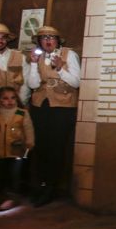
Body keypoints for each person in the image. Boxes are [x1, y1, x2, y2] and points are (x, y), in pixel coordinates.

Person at [26, 25, 80, 206]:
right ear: (39, 42)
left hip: (63, 108)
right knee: (40, 147)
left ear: (58, 41)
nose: (48, 41)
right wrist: (33, 64)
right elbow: (33, 85)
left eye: (51, 37)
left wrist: (60, 69)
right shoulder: (37, 57)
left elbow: (76, 81)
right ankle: (42, 185)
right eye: (44, 38)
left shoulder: (68, 54)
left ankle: (51, 188)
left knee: (56, 149)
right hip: (41, 107)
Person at [0, 86, 34, 211]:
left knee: (14, 175)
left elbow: (28, 128)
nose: (10, 101)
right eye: (5, 98)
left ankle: (11, 198)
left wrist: (30, 143)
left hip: (16, 152)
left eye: (13, 98)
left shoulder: (22, 113)